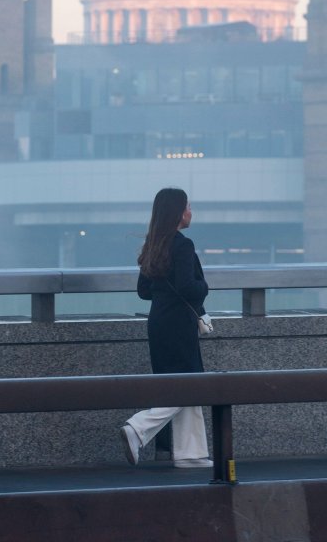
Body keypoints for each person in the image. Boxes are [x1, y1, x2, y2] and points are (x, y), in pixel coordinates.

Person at [120, 187, 212, 468]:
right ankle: (138, 429)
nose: (191, 211)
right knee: (187, 384)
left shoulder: (154, 243)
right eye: (188, 206)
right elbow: (188, 287)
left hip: (158, 322)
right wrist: (204, 286)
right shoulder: (182, 245)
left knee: (182, 382)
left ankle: (190, 453)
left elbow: (144, 290)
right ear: (178, 212)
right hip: (179, 325)